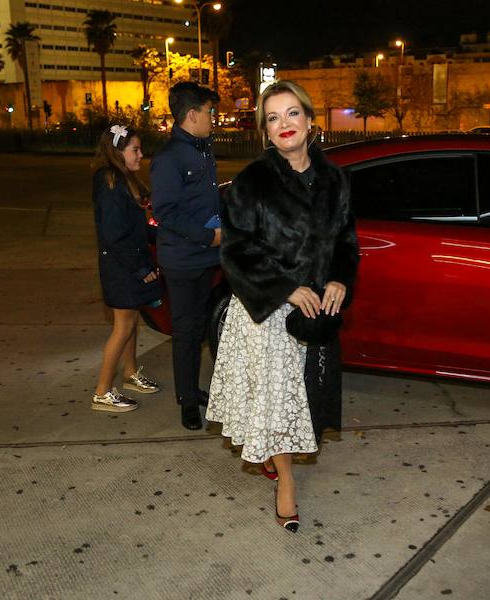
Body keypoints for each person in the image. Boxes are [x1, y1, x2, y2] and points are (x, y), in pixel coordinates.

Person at [207, 80, 359, 532]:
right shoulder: (253, 182)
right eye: (273, 118)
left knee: (305, 401)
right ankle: (286, 482)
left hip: (314, 316)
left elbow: (347, 244)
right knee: (277, 406)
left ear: (310, 121)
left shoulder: (335, 180)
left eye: (292, 113)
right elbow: (235, 253)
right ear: (266, 132)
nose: (284, 124)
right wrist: (287, 288)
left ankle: (278, 459)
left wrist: (339, 278)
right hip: (268, 313)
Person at [150, 82, 221, 430]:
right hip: (182, 260)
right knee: (186, 332)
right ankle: (187, 403)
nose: (213, 117)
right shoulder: (169, 158)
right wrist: (210, 236)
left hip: (205, 258)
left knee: (198, 330)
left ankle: (192, 389)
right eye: (210, 111)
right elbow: (165, 212)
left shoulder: (203, 149)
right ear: (192, 114)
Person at [91, 124, 162, 412]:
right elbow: (114, 235)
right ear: (118, 151)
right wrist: (140, 268)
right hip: (121, 266)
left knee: (132, 322)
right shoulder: (109, 182)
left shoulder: (123, 179)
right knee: (122, 327)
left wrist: (161, 236)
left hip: (128, 263)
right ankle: (102, 392)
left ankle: (130, 374)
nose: (141, 155)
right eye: (135, 149)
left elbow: (134, 229)